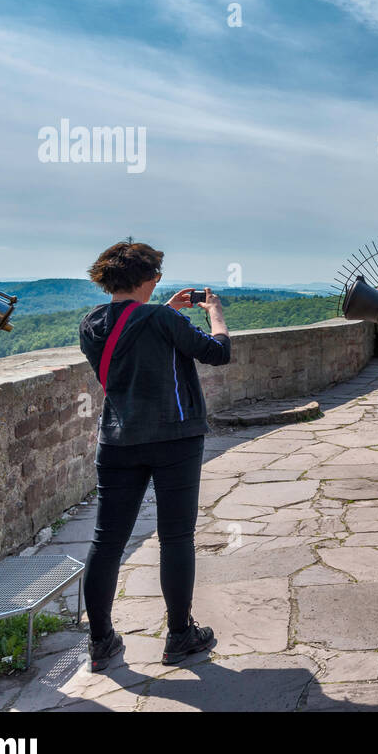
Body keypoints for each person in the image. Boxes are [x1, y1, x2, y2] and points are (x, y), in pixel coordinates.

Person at [77, 240, 231, 672]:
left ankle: (101, 640)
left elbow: (130, 337)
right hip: (174, 438)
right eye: (156, 275)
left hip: (117, 440)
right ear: (148, 278)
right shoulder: (161, 318)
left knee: (106, 541)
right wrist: (215, 315)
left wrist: (164, 309)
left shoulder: (91, 324)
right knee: (176, 537)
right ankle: (180, 635)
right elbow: (218, 353)